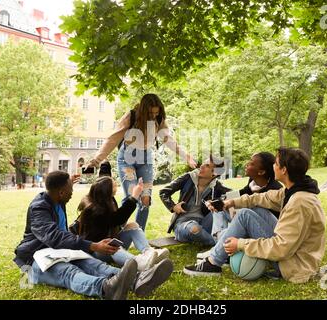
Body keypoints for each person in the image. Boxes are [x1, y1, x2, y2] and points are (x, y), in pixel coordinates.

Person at [13, 171, 171, 300]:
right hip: (35, 260)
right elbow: (54, 237)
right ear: (61, 192)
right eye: (70, 190)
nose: (72, 193)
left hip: (58, 252)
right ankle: (106, 288)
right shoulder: (39, 207)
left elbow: (56, 185)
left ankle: (138, 280)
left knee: (95, 265)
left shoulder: (56, 199)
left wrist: (68, 179)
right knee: (69, 272)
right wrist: (93, 245)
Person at [184, 147, 326, 284]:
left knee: (245, 215)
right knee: (257, 209)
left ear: (284, 170)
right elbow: (262, 198)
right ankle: (219, 252)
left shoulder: (299, 202)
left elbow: (281, 248)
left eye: (276, 163)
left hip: (296, 266)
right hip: (294, 254)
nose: (273, 166)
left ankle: (213, 263)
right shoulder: (294, 190)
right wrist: (232, 202)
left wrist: (240, 244)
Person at [85, 93, 197, 231]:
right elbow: (113, 139)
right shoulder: (131, 116)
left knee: (145, 200)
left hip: (146, 159)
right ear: (144, 110)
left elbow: (169, 140)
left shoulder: (158, 120)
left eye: (157, 113)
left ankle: (140, 235)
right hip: (127, 158)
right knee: (132, 197)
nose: (154, 116)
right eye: (151, 113)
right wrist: (96, 160)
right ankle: (119, 233)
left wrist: (187, 156)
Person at [196, 152, 283, 261]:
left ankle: (219, 250)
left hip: (261, 233)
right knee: (220, 209)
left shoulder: (275, 190)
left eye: (251, 163)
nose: (247, 164)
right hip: (248, 222)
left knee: (244, 213)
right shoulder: (253, 181)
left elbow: (262, 220)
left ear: (261, 172)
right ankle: (220, 246)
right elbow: (243, 193)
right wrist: (221, 202)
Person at [74, 176, 171, 272]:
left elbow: (118, 219)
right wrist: (134, 197)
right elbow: (117, 219)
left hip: (110, 241)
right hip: (97, 251)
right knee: (113, 247)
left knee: (132, 225)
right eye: (114, 185)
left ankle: (149, 253)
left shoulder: (107, 200)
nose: (116, 185)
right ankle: (139, 263)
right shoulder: (93, 210)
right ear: (107, 191)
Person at [159, 156, 231, 246]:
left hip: (204, 222)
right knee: (195, 229)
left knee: (223, 210)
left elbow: (232, 194)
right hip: (183, 223)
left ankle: (222, 239)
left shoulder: (216, 186)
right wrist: (173, 206)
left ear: (215, 173)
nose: (201, 166)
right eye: (203, 164)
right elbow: (163, 192)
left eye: (207, 166)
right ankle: (220, 244)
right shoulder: (188, 178)